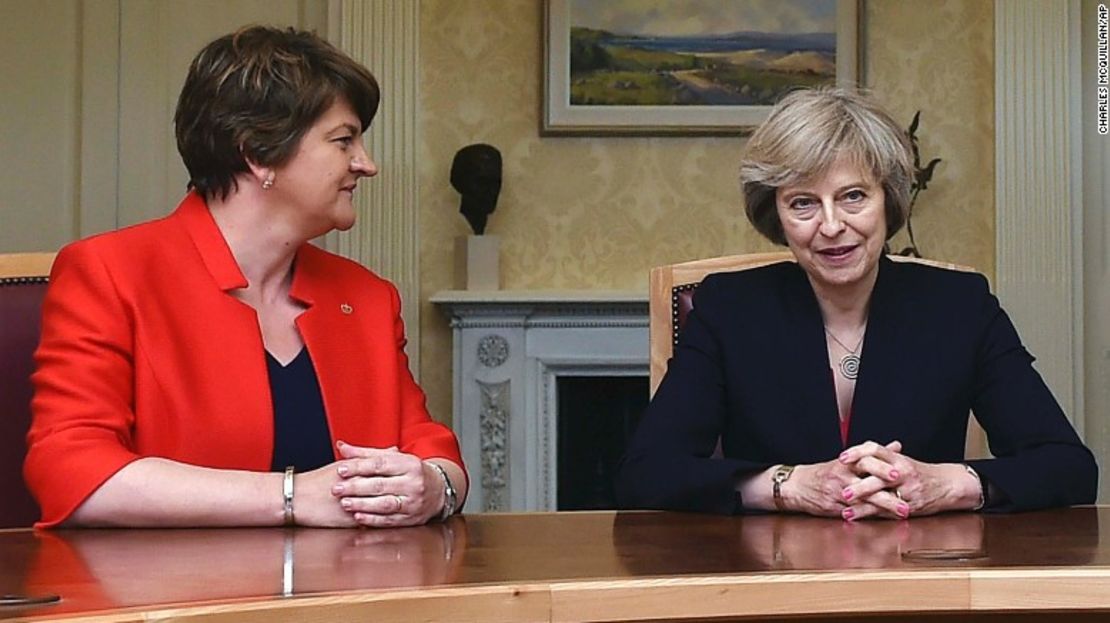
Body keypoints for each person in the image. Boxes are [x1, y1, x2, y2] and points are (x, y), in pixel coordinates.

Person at [25, 26, 467, 529]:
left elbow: (430, 446)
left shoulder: (368, 296)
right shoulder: (108, 273)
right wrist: (292, 497)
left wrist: (435, 488)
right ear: (257, 154)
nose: (366, 164)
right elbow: (70, 471)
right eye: (344, 140)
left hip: (351, 594)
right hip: (165, 598)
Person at [616, 87, 1097, 520]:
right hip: (770, 578)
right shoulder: (729, 308)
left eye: (852, 196)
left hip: (919, 578)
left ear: (888, 202)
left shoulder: (959, 307)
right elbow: (645, 473)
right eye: (803, 202)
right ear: (776, 215)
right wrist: (789, 485)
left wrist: (945, 484)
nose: (830, 226)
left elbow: (1069, 467)